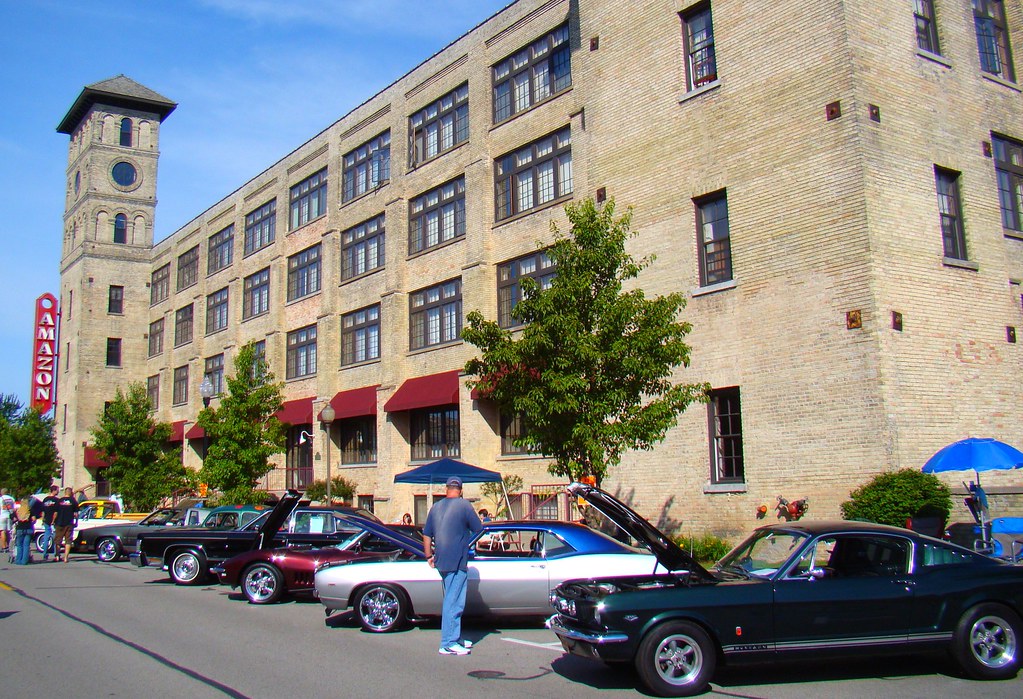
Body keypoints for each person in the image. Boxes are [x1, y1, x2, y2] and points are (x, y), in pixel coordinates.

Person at [422, 477, 483, 656]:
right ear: (461, 490)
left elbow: (427, 534)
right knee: (454, 602)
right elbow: (478, 528)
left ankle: (454, 637)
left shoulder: (435, 507)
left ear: (446, 489)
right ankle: (448, 643)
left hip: (441, 560)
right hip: (457, 561)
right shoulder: (464, 505)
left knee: (450, 598)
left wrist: (428, 555)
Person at [52, 487, 79, 563]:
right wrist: (76, 522)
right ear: (70, 493)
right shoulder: (73, 501)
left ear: (65, 492)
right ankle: (66, 558)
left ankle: (57, 556)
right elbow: (76, 514)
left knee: (58, 540)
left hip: (59, 523)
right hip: (69, 523)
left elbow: (55, 513)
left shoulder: (59, 501)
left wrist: (53, 521)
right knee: (68, 541)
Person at [12, 498, 35, 565]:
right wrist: (31, 522)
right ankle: (24, 561)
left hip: (20, 529)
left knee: (19, 545)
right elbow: (34, 519)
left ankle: (18, 560)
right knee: (26, 545)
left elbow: (13, 518)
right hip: (28, 529)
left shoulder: (18, 510)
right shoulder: (30, 510)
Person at [41, 485, 59, 561]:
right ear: (54, 491)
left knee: (46, 538)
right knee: (55, 538)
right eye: (57, 490)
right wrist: (53, 521)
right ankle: (56, 554)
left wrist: (43, 519)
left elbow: (43, 511)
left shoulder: (45, 500)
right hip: (53, 522)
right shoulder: (56, 500)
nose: (58, 491)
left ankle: (45, 554)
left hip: (46, 521)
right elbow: (56, 512)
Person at [0, 488, 14, 553]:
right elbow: (14, 508)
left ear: (2, 492)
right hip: (10, 516)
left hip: (2, 516)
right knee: (8, 532)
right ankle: (7, 546)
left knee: (2, 531)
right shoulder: (12, 498)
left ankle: (4, 547)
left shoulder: (1, 499)